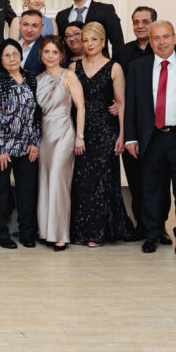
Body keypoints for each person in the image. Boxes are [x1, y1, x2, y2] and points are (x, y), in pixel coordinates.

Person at [124, 22, 176, 257]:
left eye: (166, 37)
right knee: (151, 190)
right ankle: (152, 234)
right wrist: (130, 137)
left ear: (174, 38)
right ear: (150, 42)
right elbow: (131, 104)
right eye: (156, 38)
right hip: (151, 137)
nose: (161, 42)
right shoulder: (137, 67)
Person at [117, 6, 176, 242]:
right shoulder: (123, 51)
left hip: (161, 127)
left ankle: (160, 226)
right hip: (135, 125)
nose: (140, 26)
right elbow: (117, 82)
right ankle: (143, 226)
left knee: (161, 182)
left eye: (145, 21)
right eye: (136, 22)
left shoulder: (173, 47)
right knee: (137, 181)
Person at [69, 22, 135, 246]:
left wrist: (122, 135)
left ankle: (98, 233)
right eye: (85, 40)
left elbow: (122, 103)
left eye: (94, 39)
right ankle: (82, 231)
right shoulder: (73, 67)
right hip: (81, 130)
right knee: (82, 182)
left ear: (103, 41)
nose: (89, 44)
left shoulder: (114, 67)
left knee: (101, 182)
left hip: (106, 131)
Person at [0, 39, 42, 249]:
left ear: (21, 56)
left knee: (27, 190)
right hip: (1, 147)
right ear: (1, 60)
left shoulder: (30, 78)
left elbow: (37, 113)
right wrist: (0, 149)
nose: (12, 58)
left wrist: (35, 142)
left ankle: (27, 232)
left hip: (26, 146)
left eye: (15, 54)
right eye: (7, 55)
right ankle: (1, 233)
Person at [35, 36, 85, 251]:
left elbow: (80, 107)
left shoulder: (69, 76)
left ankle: (60, 234)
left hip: (64, 132)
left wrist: (79, 136)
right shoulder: (37, 79)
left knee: (58, 181)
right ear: (41, 54)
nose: (50, 56)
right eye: (47, 52)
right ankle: (46, 231)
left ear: (61, 55)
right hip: (44, 134)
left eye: (55, 52)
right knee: (45, 181)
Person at [54, 0, 124, 59]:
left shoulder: (105, 10)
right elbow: (60, 46)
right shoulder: (61, 16)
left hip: (100, 64)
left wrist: (114, 65)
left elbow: (118, 43)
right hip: (70, 64)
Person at [18, 10, 45, 77]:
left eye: (35, 25)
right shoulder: (15, 45)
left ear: (41, 27)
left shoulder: (47, 47)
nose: (29, 30)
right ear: (20, 25)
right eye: (25, 25)